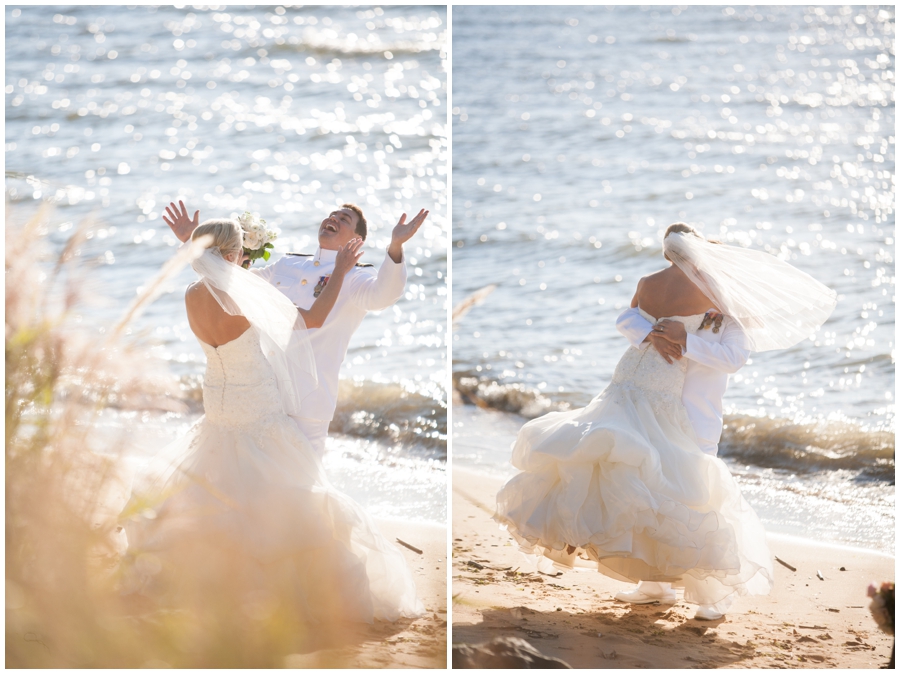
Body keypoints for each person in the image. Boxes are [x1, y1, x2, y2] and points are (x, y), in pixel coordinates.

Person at [494, 223, 837, 621]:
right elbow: (628, 318)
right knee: (650, 493)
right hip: (651, 403)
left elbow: (732, 357)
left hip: (695, 409)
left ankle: (712, 593)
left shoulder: (720, 295)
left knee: (695, 493)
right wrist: (653, 336)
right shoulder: (693, 290)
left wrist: (683, 339)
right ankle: (655, 584)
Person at [123, 219, 424, 623]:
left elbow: (220, 278)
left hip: (218, 402)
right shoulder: (245, 299)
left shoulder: (192, 293)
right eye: (240, 254)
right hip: (256, 404)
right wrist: (338, 272)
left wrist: (192, 244)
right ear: (233, 256)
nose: (245, 259)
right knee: (280, 488)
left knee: (218, 479)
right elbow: (313, 318)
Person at [163, 200, 429, 456]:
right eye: (331, 214)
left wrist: (395, 246)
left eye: (344, 219)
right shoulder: (287, 264)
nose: (333, 218)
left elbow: (384, 295)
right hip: (262, 394)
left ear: (356, 240)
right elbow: (231, 285)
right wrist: (195, 243)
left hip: (308, 401)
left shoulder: (356, 276)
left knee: (302, 484)